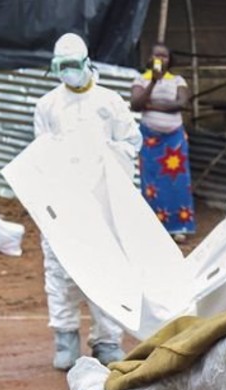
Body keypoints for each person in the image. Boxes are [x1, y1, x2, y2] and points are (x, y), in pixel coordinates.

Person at [33, 33, 141, 370]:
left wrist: (107, 159)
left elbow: (131, 141)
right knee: (60, 271)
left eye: (73, 66)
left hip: (104, 203)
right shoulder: (47, 105)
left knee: (107, 271)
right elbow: (41, 153)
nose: (69, 72)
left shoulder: (110, 102)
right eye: (61, 67)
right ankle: (65, 337)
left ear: (86, 63)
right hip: (63, 204)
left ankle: (107, 341)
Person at [131, 44, 196, 240]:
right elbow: (135, 104)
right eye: (156, 55)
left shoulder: (178, 80)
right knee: (151, 182)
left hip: (174, 138)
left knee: (177, 182)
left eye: (164, 56)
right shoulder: (141, 80)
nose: (160, 59)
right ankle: (154, 228)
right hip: (149, 139)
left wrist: (151, 106)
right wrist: (152, 82)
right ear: (150, 58)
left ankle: (179, 227)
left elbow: (181, 104)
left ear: (170, 59)